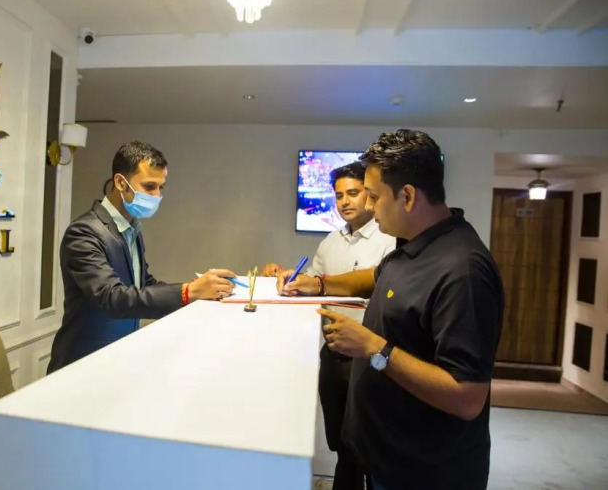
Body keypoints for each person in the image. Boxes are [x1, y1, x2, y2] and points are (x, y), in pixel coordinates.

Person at [278, 129, 504, 490]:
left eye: (374, 196)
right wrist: (318, 284)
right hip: (383, 452)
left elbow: (466, 398)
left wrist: (373, 348)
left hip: (423, 472)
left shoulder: (462, 270)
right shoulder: (413, 245)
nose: (369, 206)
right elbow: (373, 276)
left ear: (408, 196)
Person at [48, 141, 236, 374]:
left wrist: (198, 291)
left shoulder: (131, 229)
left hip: (116, 360)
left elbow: (142, 284)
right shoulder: (84, 232)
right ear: (120, 182)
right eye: (149, 186)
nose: (157, 196)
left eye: (161, 187)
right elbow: (112, 298)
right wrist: (188, 292)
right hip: (81, 366)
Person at [265, 162, 396, 490]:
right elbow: (314, 284)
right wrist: (288, 277)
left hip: (370, 356)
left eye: (353, 193)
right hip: (333, 353)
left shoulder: (389, 240)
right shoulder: (330, 241)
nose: (345, 202)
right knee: (340, 441)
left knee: (368, 444)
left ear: (370, 194)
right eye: (339, 196)